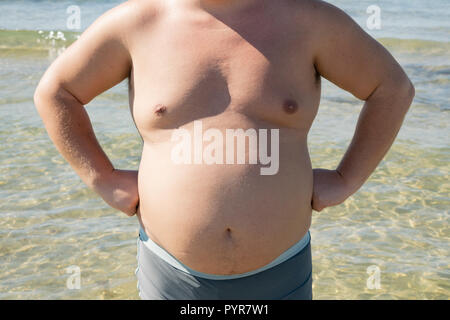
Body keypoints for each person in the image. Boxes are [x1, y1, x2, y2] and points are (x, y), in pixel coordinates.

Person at [34, 0, 415, 300]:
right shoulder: (137, 22)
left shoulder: (309, 21)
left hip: (282, 270)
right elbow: (57, 93)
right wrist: (104, 179)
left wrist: (347, 178)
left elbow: (391, 88)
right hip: (171, 272)